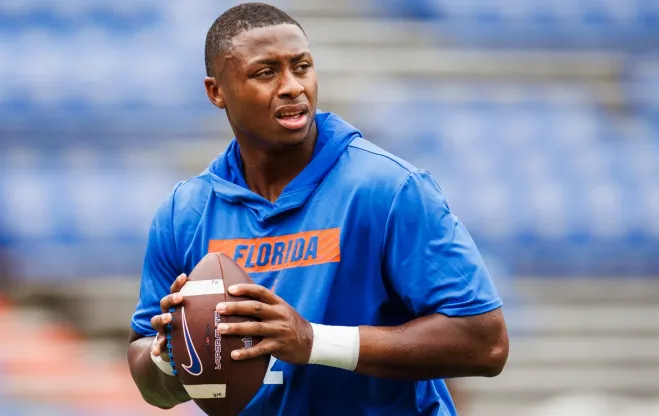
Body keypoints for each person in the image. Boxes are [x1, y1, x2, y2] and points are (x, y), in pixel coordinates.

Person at [127, 3, 509, 415]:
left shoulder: (389, 188)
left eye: (302, 66)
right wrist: (168, 354)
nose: (292, 86)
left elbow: (486, 344)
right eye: (266, 72)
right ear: (216, 91)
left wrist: (312, 341)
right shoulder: (184, 212)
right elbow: (155, 389)